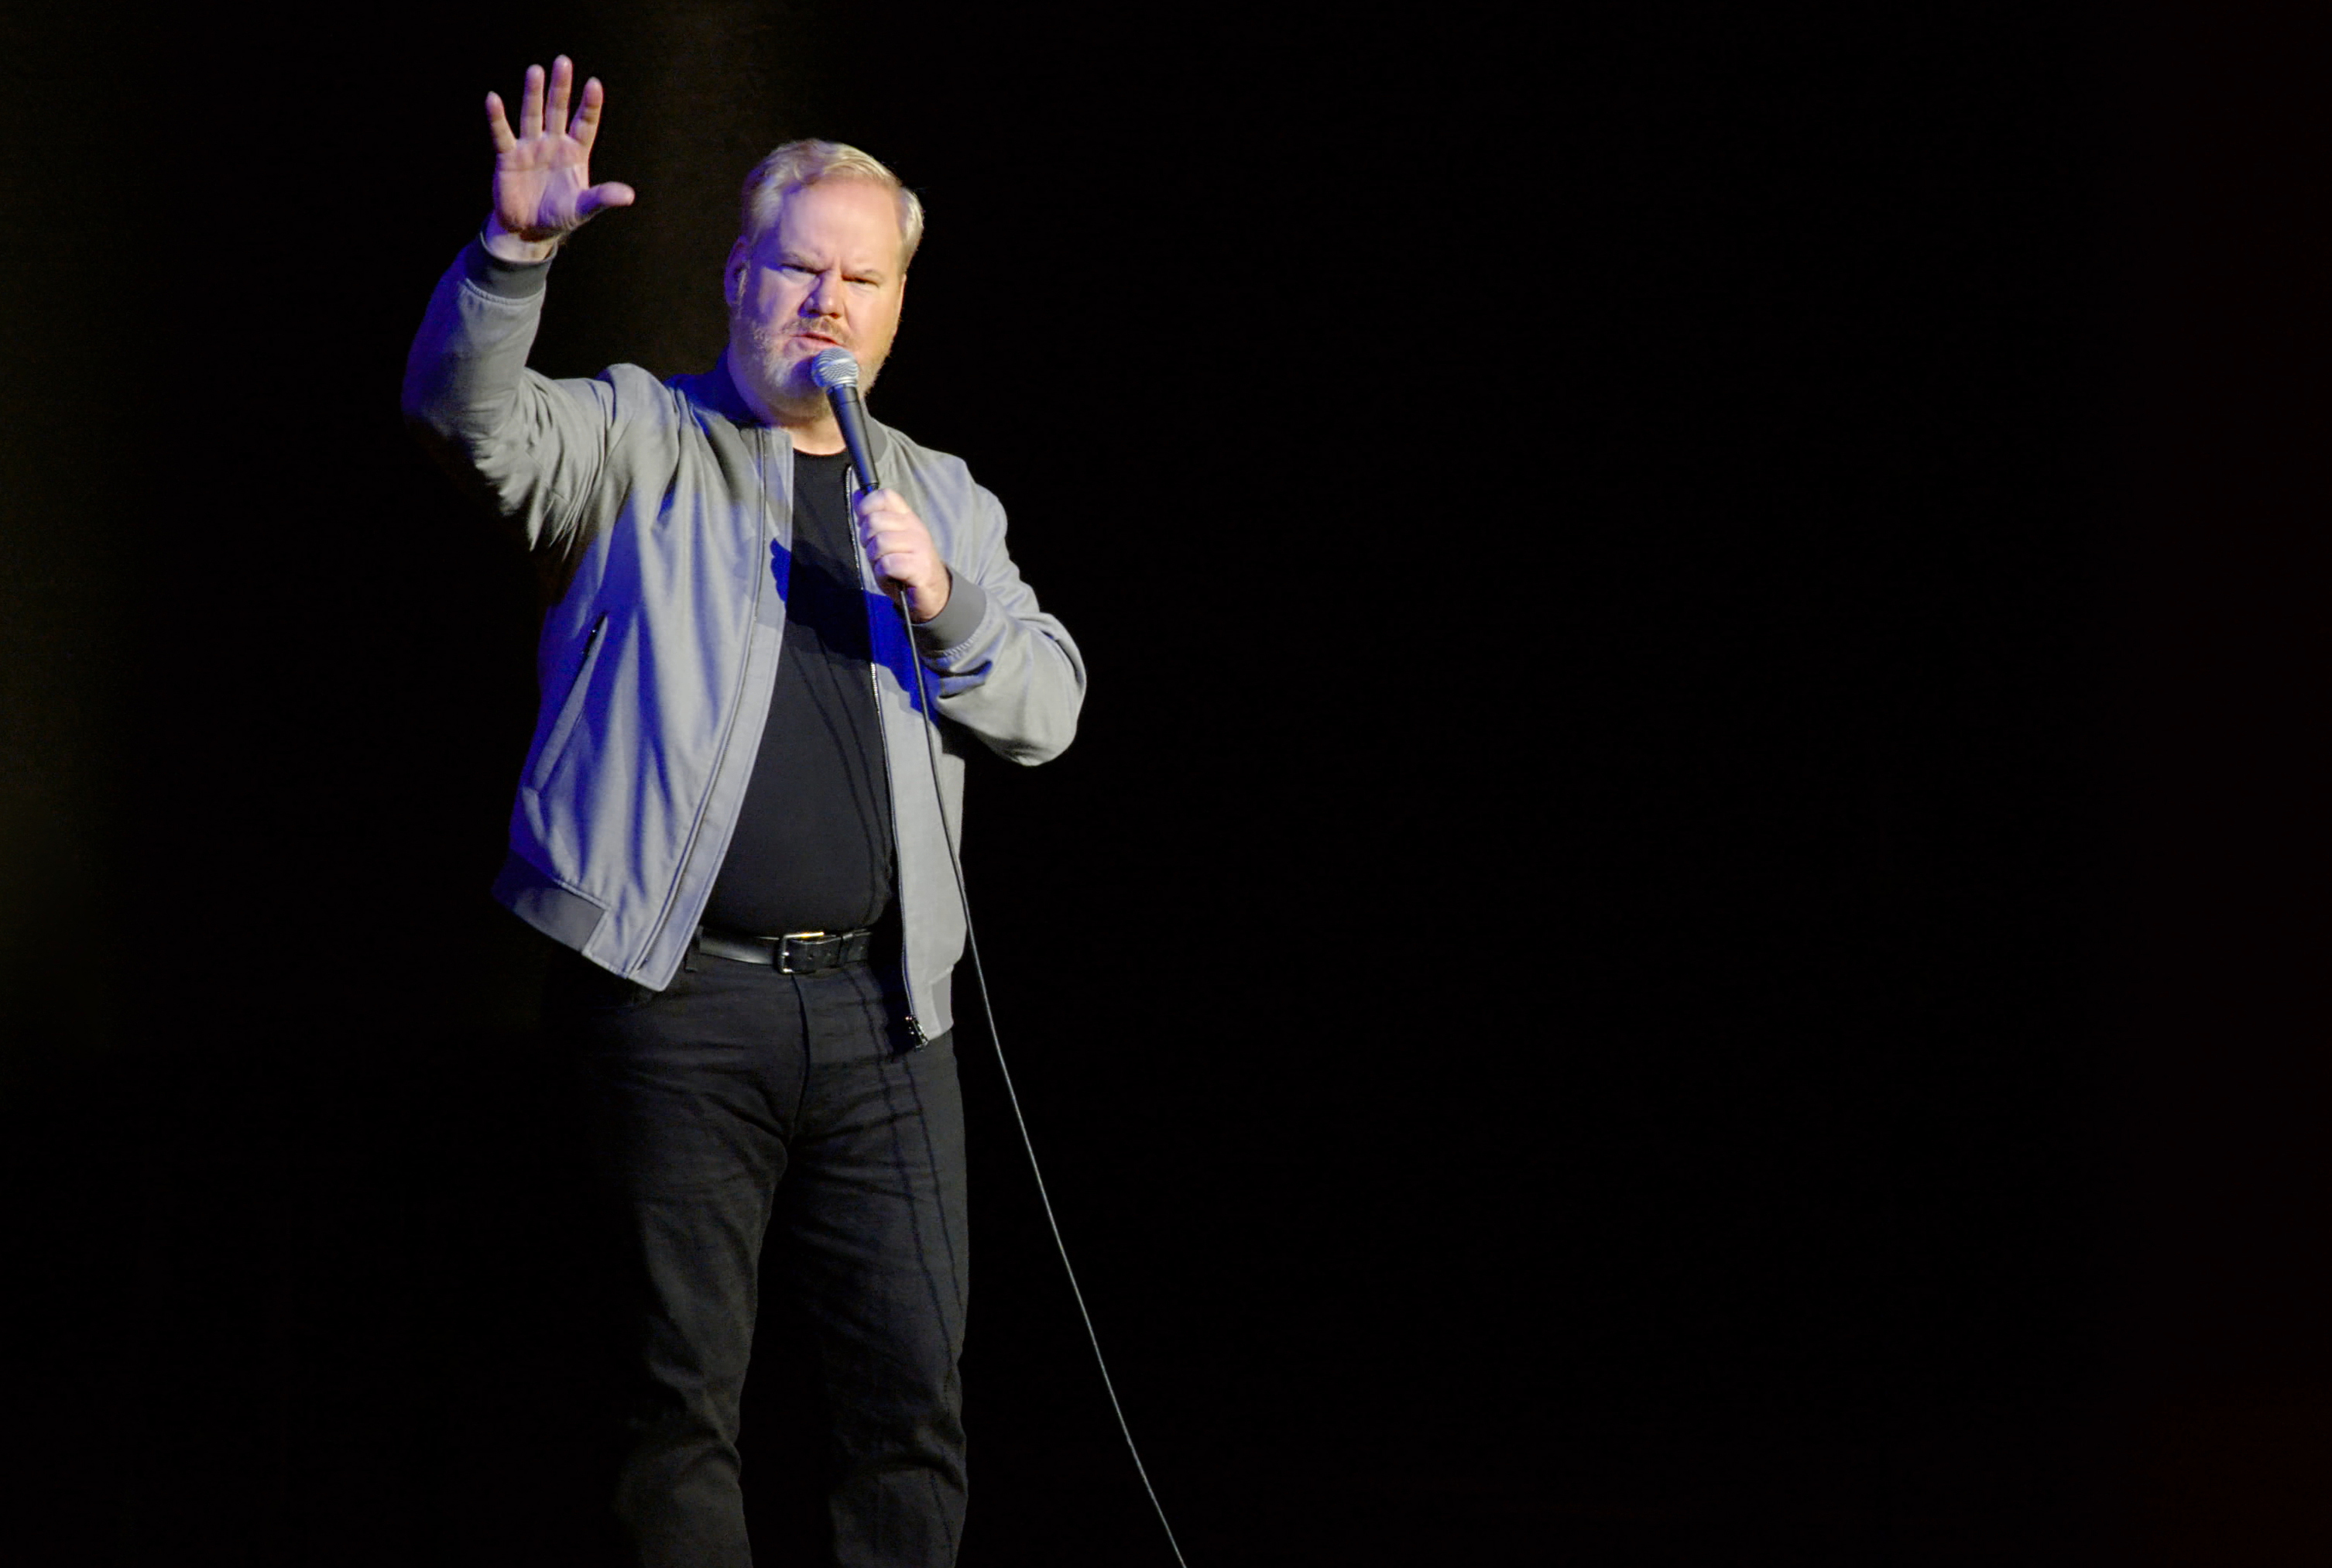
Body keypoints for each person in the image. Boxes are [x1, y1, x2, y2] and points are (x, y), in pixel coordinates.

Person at [400, 56, 1085, 1568]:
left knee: (912, 1404)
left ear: (901, 301)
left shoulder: (944, 499)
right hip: (677, 1001)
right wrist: (514, 258)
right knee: (674, 1408)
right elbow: (468, 418)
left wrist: (951, 600)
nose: (830, 302)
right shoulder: (642, 438)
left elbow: (1049, 705)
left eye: (865, 276)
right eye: (801, 267)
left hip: (888, 1017)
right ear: (739, 275)